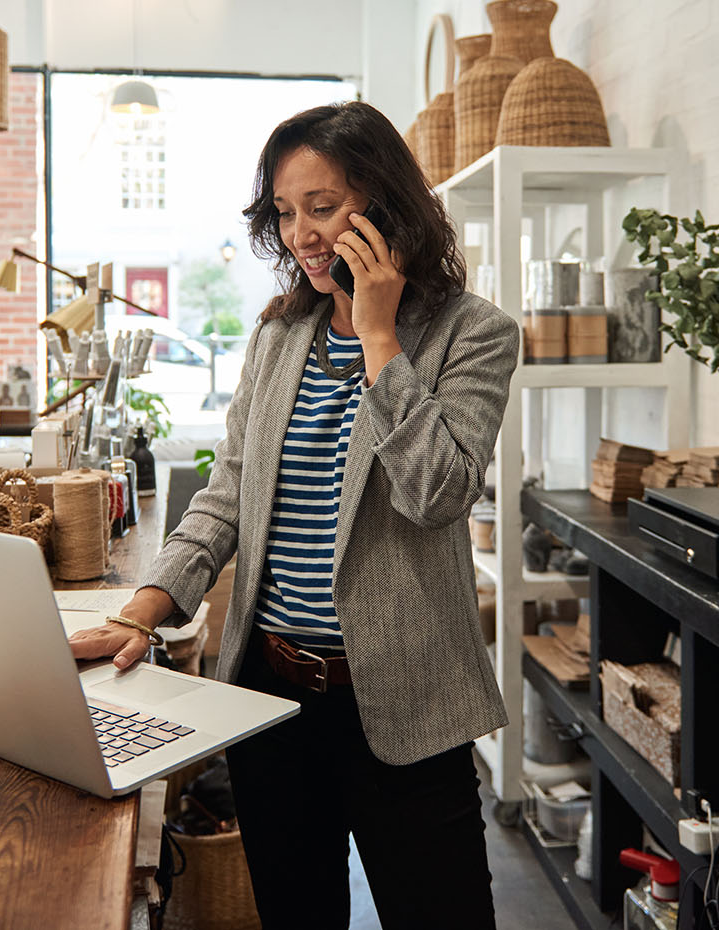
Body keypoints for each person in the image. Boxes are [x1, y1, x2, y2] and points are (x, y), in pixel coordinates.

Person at [69, 101, 520, 929]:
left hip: (409, 706)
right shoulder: (280, 339)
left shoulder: (473, 333)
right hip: (271, 702)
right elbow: (226, 497)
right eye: (285, 211)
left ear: (385, 205)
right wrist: (146, 607)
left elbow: (439, 494)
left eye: (322, 206)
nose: (302, 234)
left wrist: (380, 341)